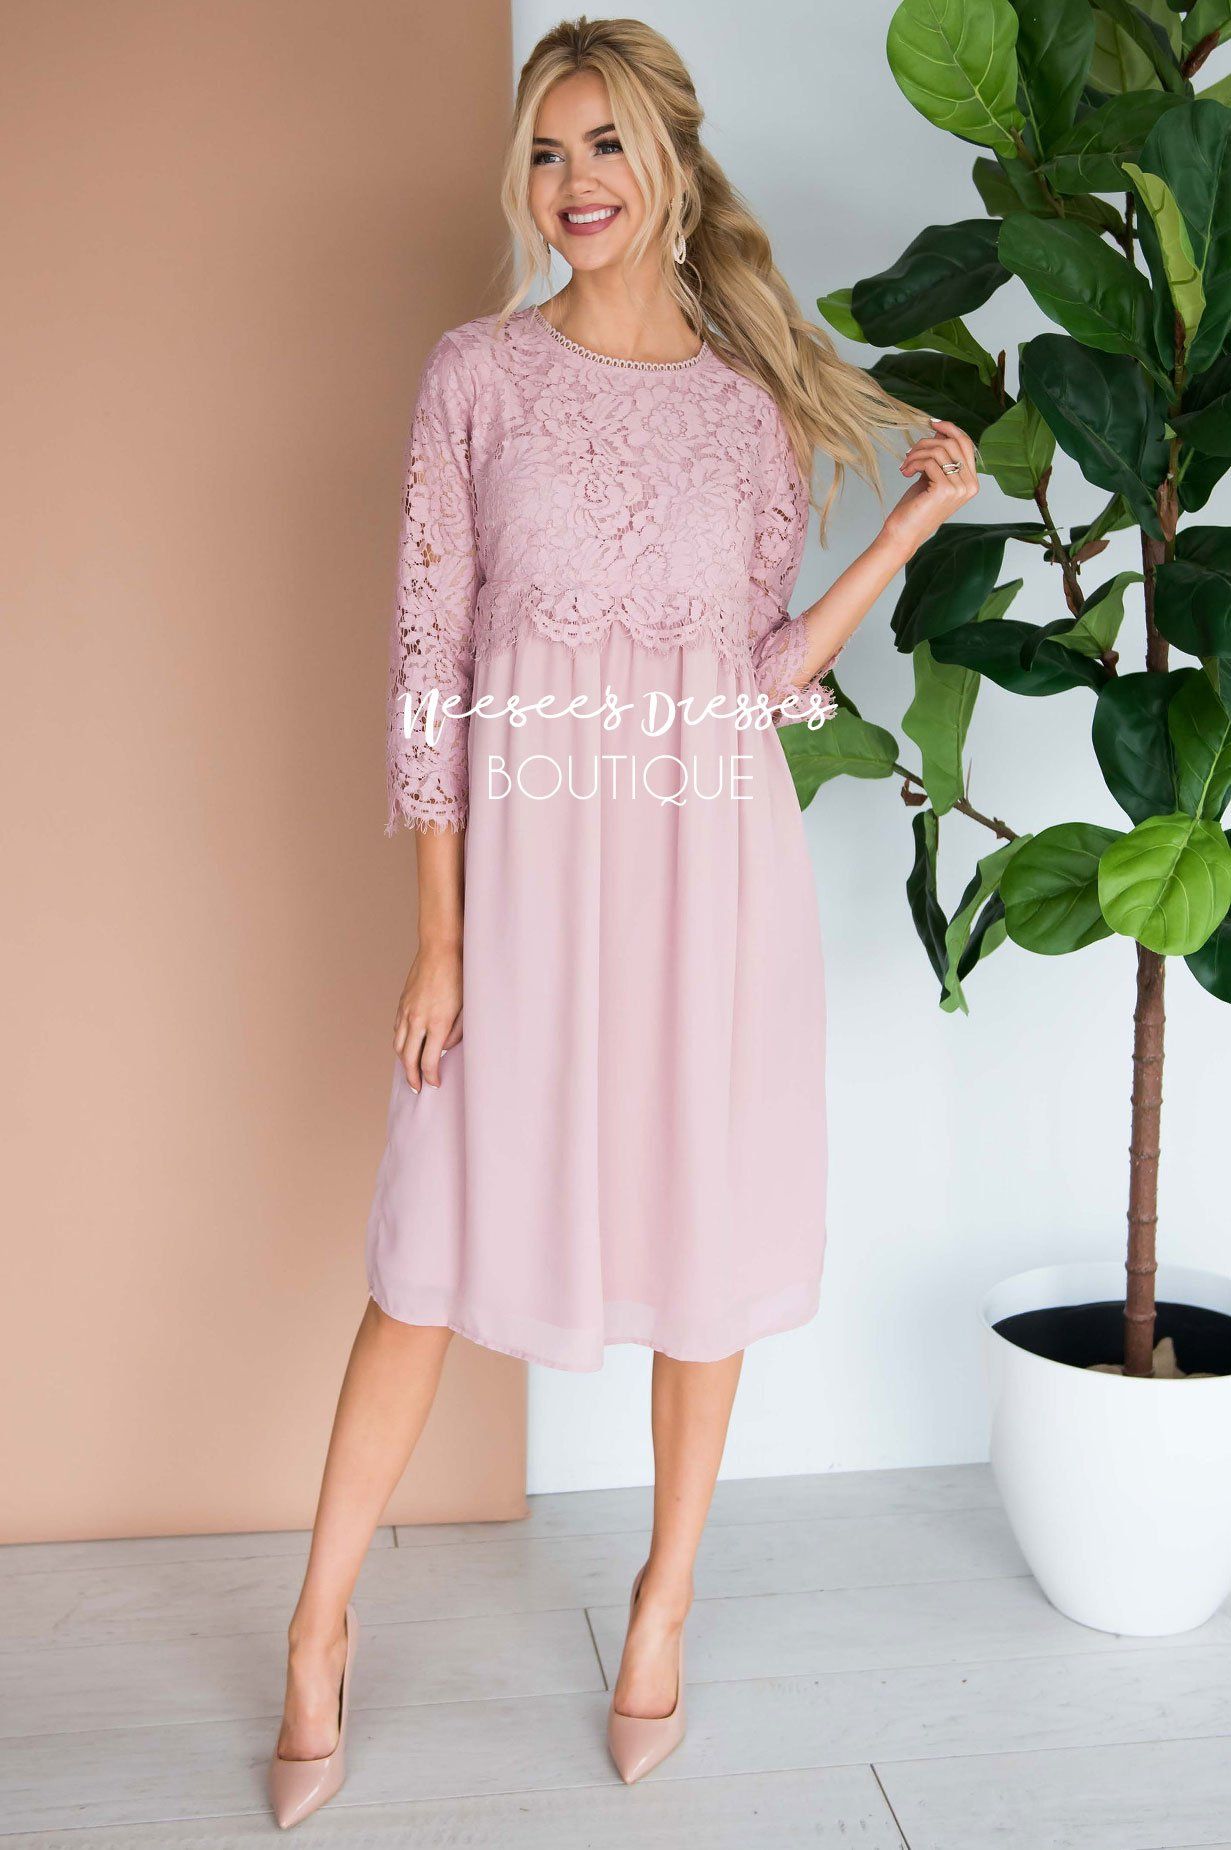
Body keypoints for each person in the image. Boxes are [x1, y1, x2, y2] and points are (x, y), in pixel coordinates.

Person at [268, 14, 977, 1828]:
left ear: (666, 164)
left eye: (601, 147)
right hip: (523, 881)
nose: (570, 184)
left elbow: (757, 676)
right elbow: (428, 665)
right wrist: (441, 935)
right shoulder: (477, 378)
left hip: (703, 875)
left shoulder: (747, 412)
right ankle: (317, 1628)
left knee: (700, 1237)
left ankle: (661, 1607)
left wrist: (899, 538)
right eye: (544, 151)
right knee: (422, 1251)